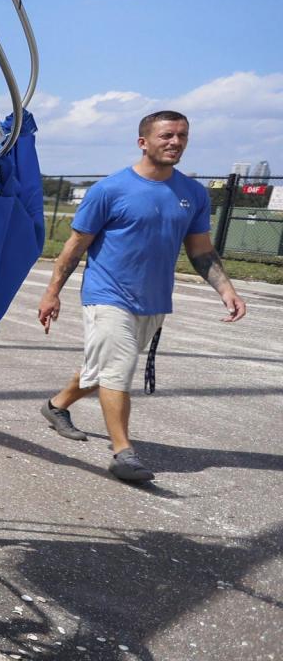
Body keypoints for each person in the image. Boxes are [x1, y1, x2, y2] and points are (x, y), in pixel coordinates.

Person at [36, 110, 247, 482]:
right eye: (167, 135)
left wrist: (227, 289)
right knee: (117, 371)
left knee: (101, 368)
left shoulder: (193, 194)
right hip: (107, 295)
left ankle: (56, 407)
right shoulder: (109, 190)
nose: (175, 142)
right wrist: (52, 293)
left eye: (182, 136)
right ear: (143, 142)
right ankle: (123, 452)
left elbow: (200, 250)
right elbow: (74, 248)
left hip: (153, 300)